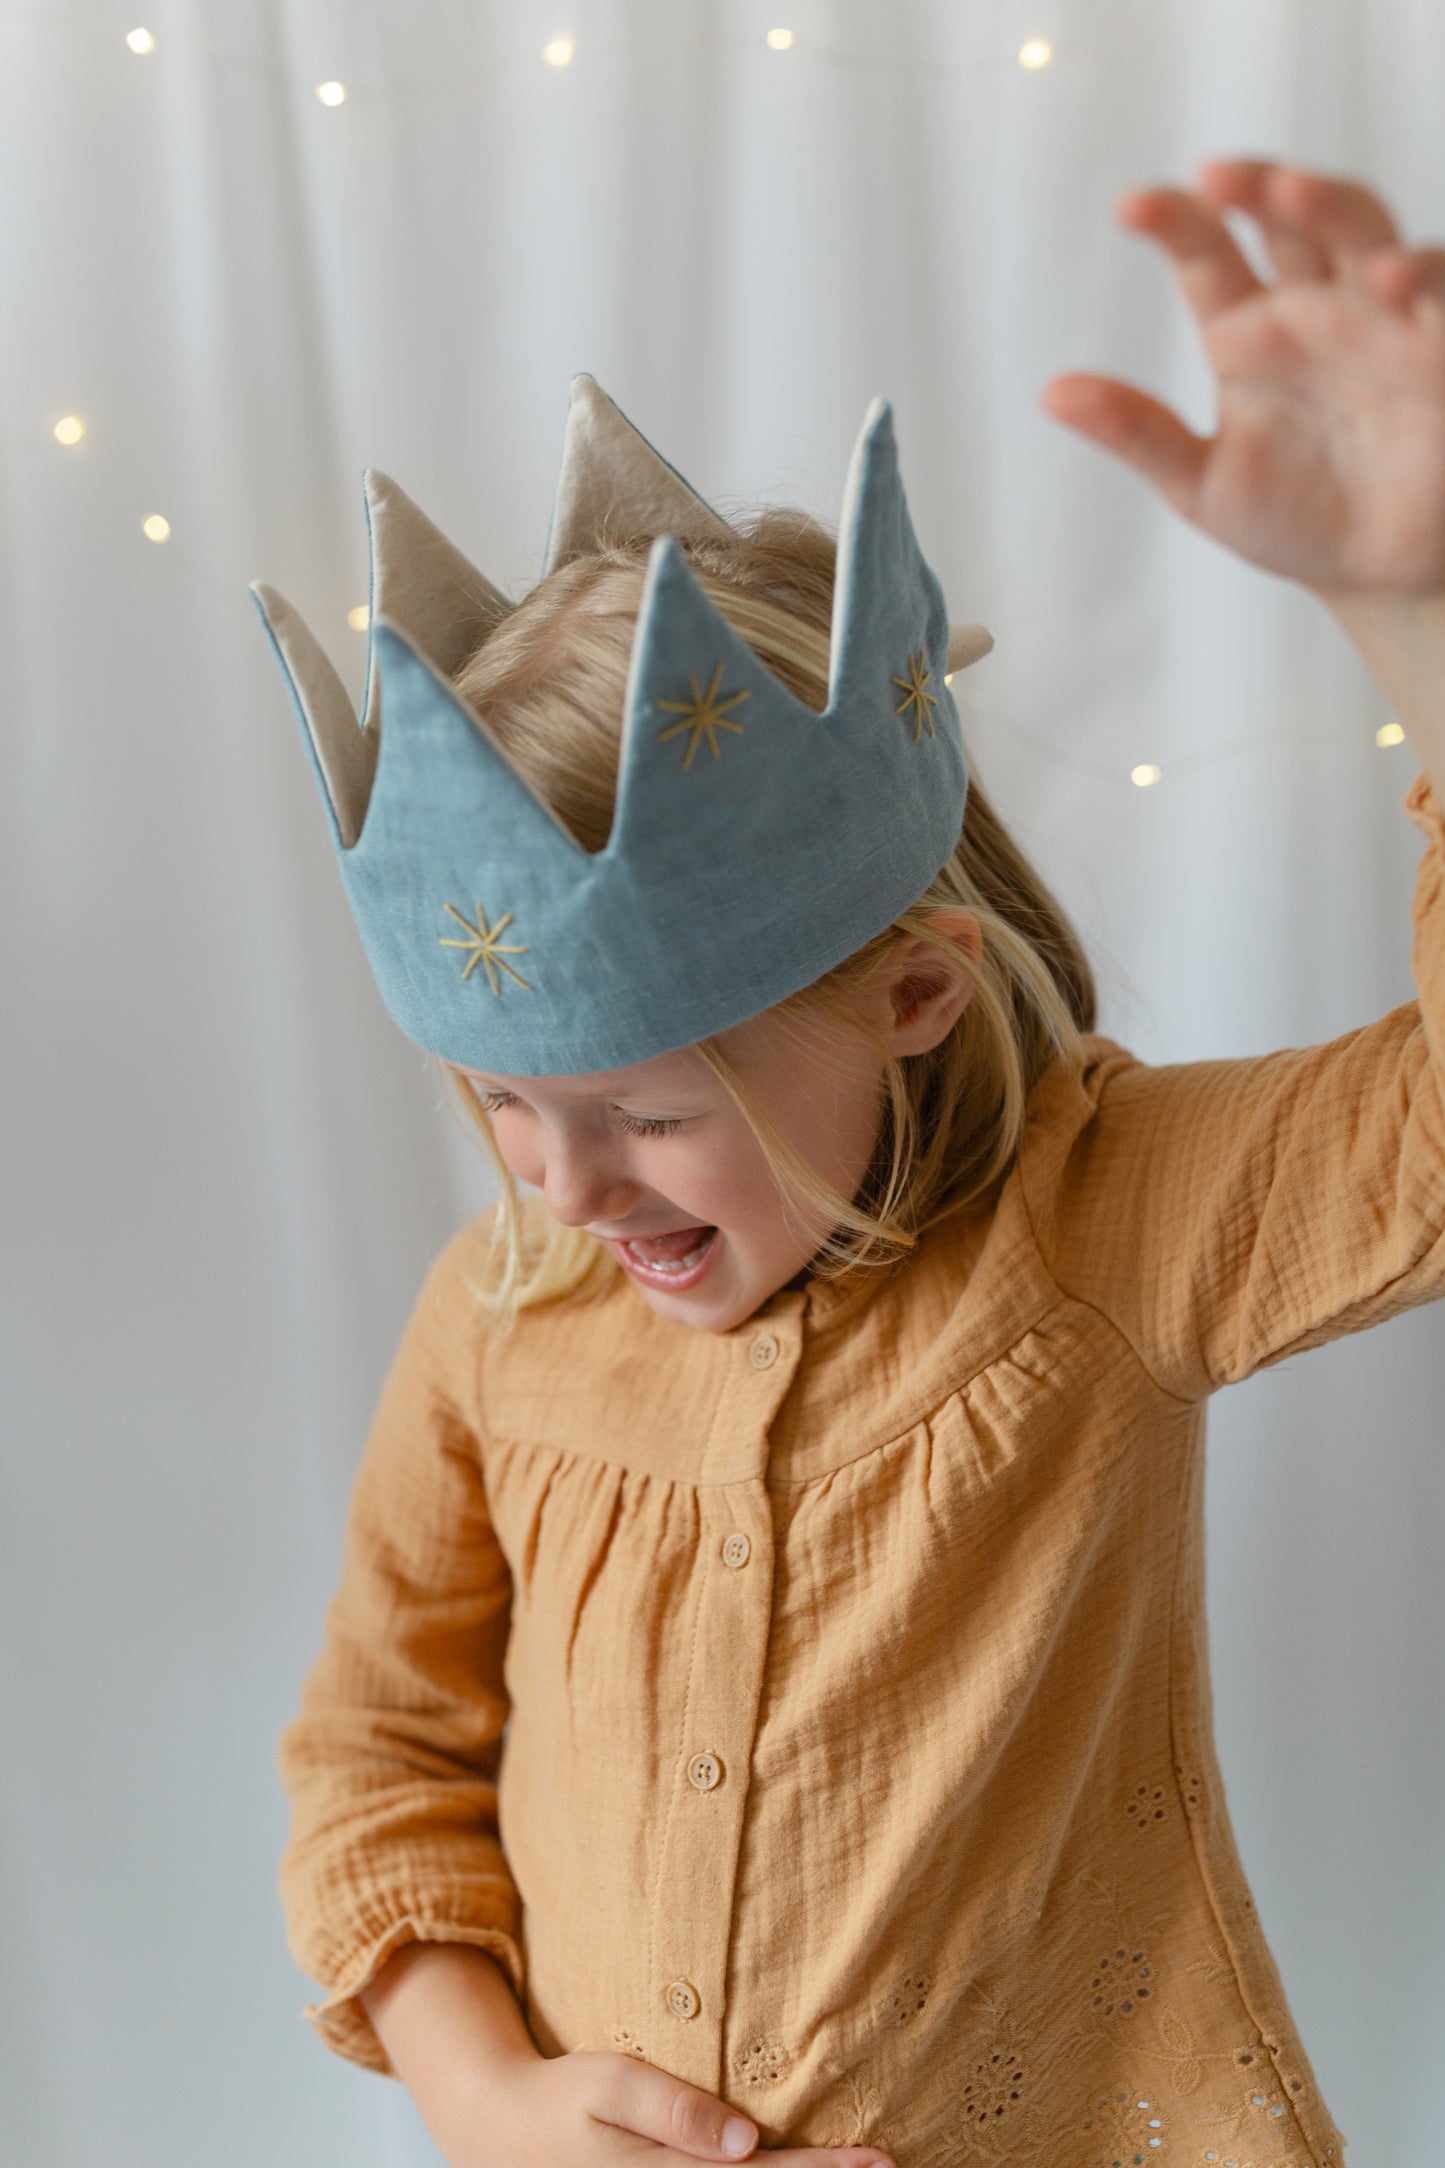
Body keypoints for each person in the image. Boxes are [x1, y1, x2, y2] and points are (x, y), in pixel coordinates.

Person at [251, 157, 1445, 2168]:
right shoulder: (499, 1320)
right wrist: (486, 2094)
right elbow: (377, 1751)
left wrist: (1412, 619)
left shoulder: (1102, 1224)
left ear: (912, 992)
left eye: (643, 1109)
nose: (559, 1182)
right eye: (505, 1100)